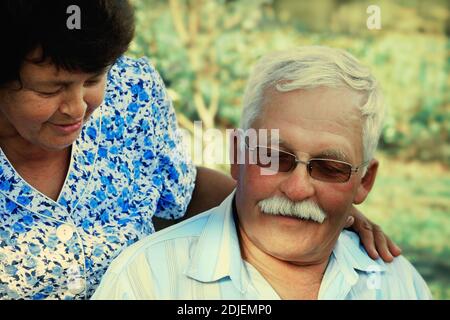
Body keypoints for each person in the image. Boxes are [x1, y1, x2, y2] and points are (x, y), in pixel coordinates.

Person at [0, 1, 398, 300]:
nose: (78, 107)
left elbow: (184, 189)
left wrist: (312, 206)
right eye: (49, 90)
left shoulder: (130, 92)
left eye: (93, 79)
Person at [92, 46, 431, 300]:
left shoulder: (396, 283)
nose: (298, 189)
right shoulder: (148, 281)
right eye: (273, 157)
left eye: (329, 168)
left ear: (364, 182)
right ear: (237, 156)